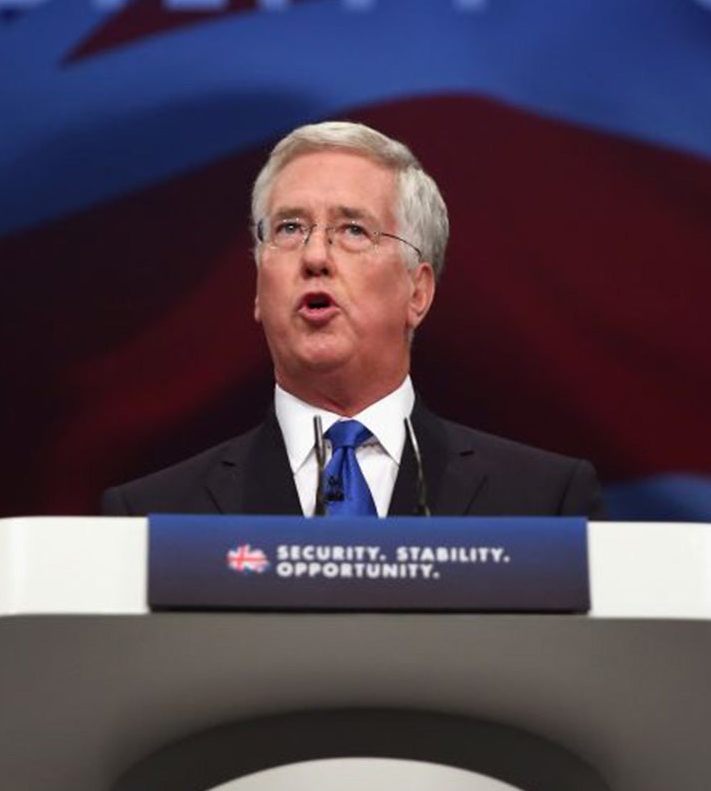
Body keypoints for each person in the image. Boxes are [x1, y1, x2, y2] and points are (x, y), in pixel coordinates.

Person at [100, 121, 602, 517]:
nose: (314, 255)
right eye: (290, 228)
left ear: (418, 291)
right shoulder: (152, 518)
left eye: (353, 230)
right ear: (258, 286)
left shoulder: (542, 504)